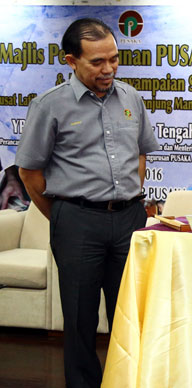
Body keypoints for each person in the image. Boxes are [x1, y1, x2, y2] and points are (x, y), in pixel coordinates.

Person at [15, 18, 159, 388]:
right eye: (97, 62)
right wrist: (64, 215)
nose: (108, 68)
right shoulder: (50, 105)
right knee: (79, 318)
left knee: (130, 311)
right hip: (77, 221)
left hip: (129, 219)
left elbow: (141, 155)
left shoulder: (131, 98)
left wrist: (129, 197)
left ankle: (127, 380)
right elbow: (29, 172)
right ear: (71, 61)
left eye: (114, 58)